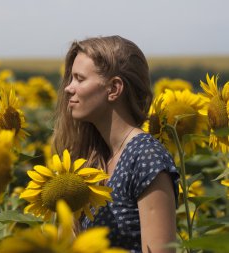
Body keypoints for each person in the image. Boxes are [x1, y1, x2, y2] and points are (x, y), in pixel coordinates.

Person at [52, 35, 179, 253]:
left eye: (79, 79)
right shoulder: (96, 155)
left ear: (113, 89)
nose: (68, 88)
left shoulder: (146, 156)